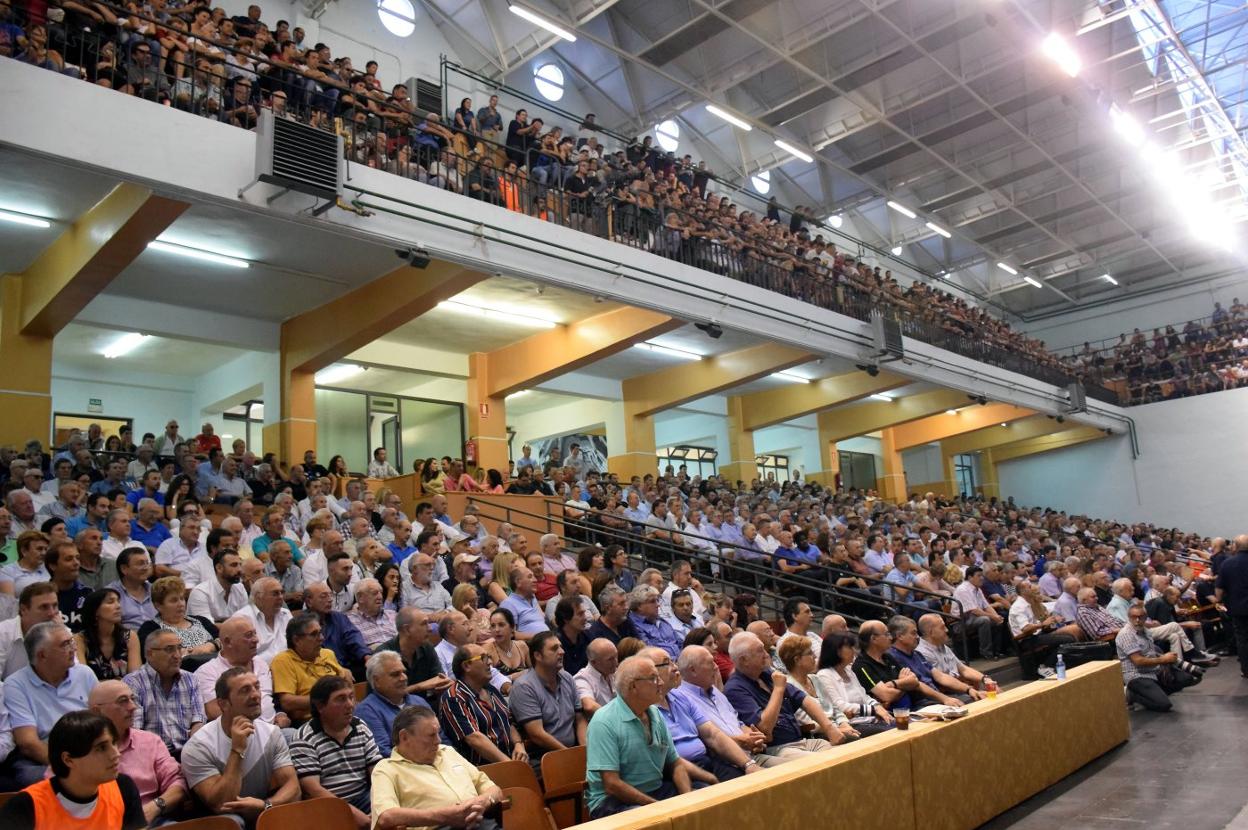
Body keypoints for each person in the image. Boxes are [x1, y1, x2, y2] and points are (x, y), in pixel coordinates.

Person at [180, 667, 300, 824]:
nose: (256, 695)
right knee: (234, 821)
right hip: (219, 821)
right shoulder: (198, 746)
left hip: (262, 808)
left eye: (257, 687)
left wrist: (266, 805)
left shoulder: (272, 733)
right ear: (223, 704)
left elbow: (293, 788)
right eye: (245, 690)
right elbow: (220, 804)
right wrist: (237, 750)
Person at [0, 710, 147, 830]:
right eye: (101, 748)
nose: (116, 754)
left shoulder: (123, 787)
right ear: (68, 759)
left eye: (114, 743)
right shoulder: (26, 805)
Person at [585, 654, 693, 817]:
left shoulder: (655, 713)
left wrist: (689, 800)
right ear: (633, 686)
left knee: (705, 797)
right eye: (653, 678)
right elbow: (612, 784)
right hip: (613, 802)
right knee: (655, 822)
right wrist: (658, 808)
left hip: (655, 791)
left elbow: (676, 763)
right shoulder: (603, 721)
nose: (661, 683)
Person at [370, 705, 505, 830]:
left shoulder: (447, 752)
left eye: (438, 733)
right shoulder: (386, 769)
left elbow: (494, 790)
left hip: (481, 823)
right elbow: (386, 816)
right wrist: (445, 816)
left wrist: (483, 802)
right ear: (404, 737)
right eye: (431, 735)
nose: (438, 741)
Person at [3, 622, 99, 785]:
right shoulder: (16, 684)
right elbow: (28, 743)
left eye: (71, 642)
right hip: (42, 757)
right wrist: (72, 767)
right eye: (65, 644)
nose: (73, 649)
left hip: (87, 750)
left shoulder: (84, 673)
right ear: (42, 655)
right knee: (44, 778)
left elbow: (102, 720)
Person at [723, 631, 840, 757]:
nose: (766, 655)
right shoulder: (735, 689)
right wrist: (778, 690)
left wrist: (829, 728)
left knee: (837, 754)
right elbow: (764, 728)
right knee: (819, 761)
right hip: (775, 749)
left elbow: (804, 699)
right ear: (744, 660)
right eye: (760, 651)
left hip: (801, 741)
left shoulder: (765, 674)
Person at [88, 679, 189, 824]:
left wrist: (155, 807)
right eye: (122, 701)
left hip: (151, 819)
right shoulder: (78, 748)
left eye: (132, 699)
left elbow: (177, 783)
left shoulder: (150, 741)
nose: (133, 707)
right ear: (97, 711)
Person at [669, 645, 787, 768]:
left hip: (752, 755)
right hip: (726, 763)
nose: (716, 667)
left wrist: (754, 737)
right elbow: (706, 740)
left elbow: (738, 723)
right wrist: (742, 741)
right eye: (710, 663)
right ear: (693, 670)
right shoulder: (681, 698)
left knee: (795, 769)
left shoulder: (715, 690)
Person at [290, 675, 382, 826]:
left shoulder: (360, 727)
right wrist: (357, 816)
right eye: (340, 699)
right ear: (320, 707)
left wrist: (382, 806)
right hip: (326, 807)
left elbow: (377, 771)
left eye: (351, 697)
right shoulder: (304, 738)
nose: (350, 704)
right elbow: (314, 790)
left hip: (363, 798)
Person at [508, 630, 586, 775]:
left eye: (561, 647)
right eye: (554, 648)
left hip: (571, 751)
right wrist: (571, 755)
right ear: (537, 656)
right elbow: (536, 734)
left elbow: (580, 719)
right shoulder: (524, 687)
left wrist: (584, 750)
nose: (562, 652)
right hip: (542, 758)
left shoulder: (567, 678)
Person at [438, 643, 526, 766]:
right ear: (466, 666)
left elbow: (508, 722)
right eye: (483, 658)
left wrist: (518, 744)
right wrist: (509, 765)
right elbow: (474, 738)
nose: (490, 662)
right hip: (483, 771)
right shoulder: (454, 698)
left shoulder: (491, 689)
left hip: (511, 760)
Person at [123, 628, 205, 756]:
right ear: (150, 654)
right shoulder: (133, 683)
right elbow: (135, 732)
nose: (177, 655)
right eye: (169, 649)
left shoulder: (191, 679)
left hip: (188, 751)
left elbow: (198, 721)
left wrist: (192, 752)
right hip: (151, 755)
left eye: (179, 648)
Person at [194, 616, 286, 726]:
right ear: (228, 642)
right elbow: (215, 712)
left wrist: (280, 713)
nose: (256, 639)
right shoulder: (207, 672)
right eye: (248, 635)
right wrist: (260, 730)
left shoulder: (261, 663)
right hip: (238, 733)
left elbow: (269, 697)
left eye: (255, 633)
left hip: (275, 728)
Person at [270, 611, 355, 724]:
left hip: (342, 714)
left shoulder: (327, 654)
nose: (321, 638)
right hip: (310, 721)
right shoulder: (282, 661)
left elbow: (347, 683)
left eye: (321, 633)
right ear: (296, 640)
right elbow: (287, 702)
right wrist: (326, 702)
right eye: (314, 634)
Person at [811, 631, 894, 737]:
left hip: (870, 720)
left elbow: (865, 697)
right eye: (850, 647)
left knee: (907, 723)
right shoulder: (824, 675)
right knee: (893, 732)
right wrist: (873, 710)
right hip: (852, 725)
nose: (854, 651)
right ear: (838, 651)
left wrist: (878, 707)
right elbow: (839, 705)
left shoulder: (849, 671)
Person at [1118, 604, 1199, 711]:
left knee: (1187, 679)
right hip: (1137, 675)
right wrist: (1164, 659)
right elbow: (1138, 661)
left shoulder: (1145, 631)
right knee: (1164, 705)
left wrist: (1183, 664)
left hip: (1154, 671)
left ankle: (1155, 693)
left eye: (1141, 617)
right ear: (1129, 617)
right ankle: (1132, 694)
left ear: (1145, 617)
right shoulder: (1126, 634)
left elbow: (1153, 653)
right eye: (1134, 617)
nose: (1137, 620)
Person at [356, 650, 434, 759]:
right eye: (395, 674)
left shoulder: (419, 702)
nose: (404, 678)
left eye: (404, 672)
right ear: (376, 680)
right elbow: (383, 752)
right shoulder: (367, 711)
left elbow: (441, 738)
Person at [883, 616, 968, 707]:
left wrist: (968, 689)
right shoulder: (892, 657)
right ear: (900, 636)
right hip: (922, 703)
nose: (917, 637)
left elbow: (941, 676)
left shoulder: (917, 654)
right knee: (964, 705)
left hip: (937, 698)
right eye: (913, 633)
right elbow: (918, 684)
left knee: (971, 698)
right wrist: (945, 699)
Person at [377, 607, 452, 699]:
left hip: (423, 706)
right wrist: (418, 687)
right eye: (424, 624)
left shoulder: (427, 647)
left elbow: (440, 680)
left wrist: (446, 684)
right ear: (407, 629)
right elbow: (382, 696)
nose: (430, 629)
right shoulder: (383, 654)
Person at [136, 576, 219, 658]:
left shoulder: (201, 620)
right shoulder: (150, 628)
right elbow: (152, 656)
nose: (181, 604)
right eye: (174, 600)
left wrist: (211, 646)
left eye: (182, 598)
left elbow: (223, 639)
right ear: (158, 606)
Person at [915, 613, 988, 701]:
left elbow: (963, 669)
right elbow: (943, 683)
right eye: (942, 627)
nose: (946, 630)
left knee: (992, 691)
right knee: (983, 698)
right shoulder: (922, 653)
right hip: (946, 695)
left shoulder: (942, 646)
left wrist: (985, 679)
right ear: (931, 632)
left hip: (960, 688)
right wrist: (969, 689)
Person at [75, 588, 141, 681]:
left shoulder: (130, 636)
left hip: (125, 693)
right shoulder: (80, 639)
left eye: (118, 601)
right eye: (110, 602)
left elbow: (135, 679)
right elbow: (82, 679)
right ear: (95, 610)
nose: (118, 606)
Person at [0, 582, 63, 679]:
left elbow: (73, 676)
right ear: (23, 610)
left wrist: (61, 639)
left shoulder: (62, 632)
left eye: (55, 606)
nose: (52, 613)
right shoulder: (3, 633)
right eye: (44, 607)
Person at [231, 577, 293, 664]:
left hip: (289, 667)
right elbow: (241, 656)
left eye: (281, 593)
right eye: (275, 594)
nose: (281, 597)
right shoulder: (242, 618)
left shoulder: (285, 614)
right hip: (259, 671)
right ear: (258, 597)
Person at [1214, 533, 1248, 678]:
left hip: (1238, 608)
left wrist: (1219, 601)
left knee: (1242, 639)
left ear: (1236, 546)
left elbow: (1219, 590)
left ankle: (1246, 670)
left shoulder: (1227, 563)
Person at [187, 548, 248, 623]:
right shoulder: (200, 592)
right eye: (234, 565)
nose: (240, 570)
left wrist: (219, 623)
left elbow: (246, 620)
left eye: (240, 565)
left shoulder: (240, 587)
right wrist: (235, 623)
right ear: (219, 568)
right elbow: (207, 628)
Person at [107, 548, 156, 631]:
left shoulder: (156, 590)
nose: (146, 568)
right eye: (140, 564)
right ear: (124, 569)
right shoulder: (110, 593)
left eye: (147, 563)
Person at [347, 578, 398, 650]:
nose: (380, 597)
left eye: (381, 593)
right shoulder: (349, 621)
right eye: (375, 593)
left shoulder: (393, 615)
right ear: (360, 597)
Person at [499, 564, 548, 639]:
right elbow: (509, 634)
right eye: (530, 577)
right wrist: (539, 637)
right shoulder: (508, 604)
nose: (535, 580)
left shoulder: (533, 600)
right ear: (518, 582)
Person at [575, 637, 618, 718]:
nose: (616, 662)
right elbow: (589, 706)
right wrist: (615, 719)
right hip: (603, 725)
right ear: (593, 662)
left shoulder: (614, 672)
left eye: (616, 656)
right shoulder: (582, 679)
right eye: (610, 659)